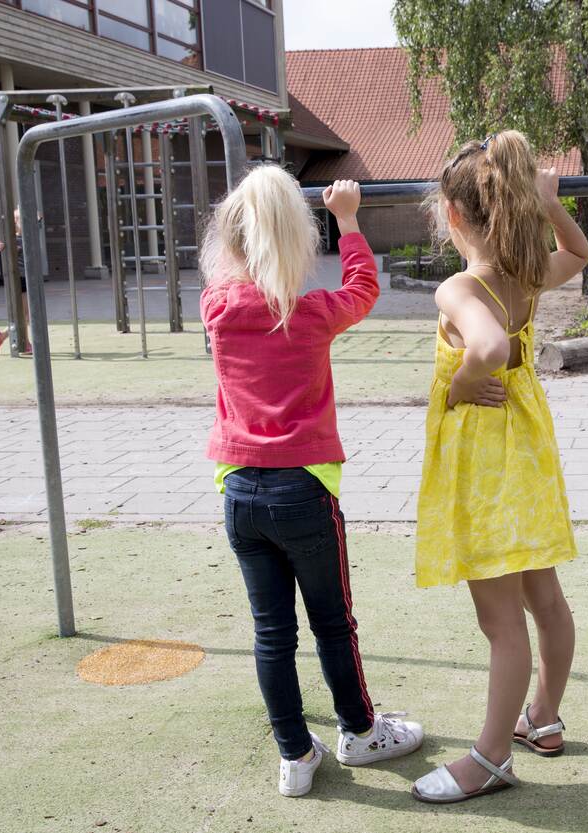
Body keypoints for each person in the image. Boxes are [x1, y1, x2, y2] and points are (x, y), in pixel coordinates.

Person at [201, 166, 424, 798]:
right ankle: (358, 731)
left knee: (271, 630)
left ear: (233, 243)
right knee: (332, 622)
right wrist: (348, 222)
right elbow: (362, 288)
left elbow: (232, 272)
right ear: (297, 243)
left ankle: (294, 754)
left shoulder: (216, 308)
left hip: (239, 493)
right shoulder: (312, 312)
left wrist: (249, 217)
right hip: (303, 490)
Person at [410, 130, 588, 804]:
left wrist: (461, 380)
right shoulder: (527, 273)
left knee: (501, 623)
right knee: (544, 599)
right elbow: (581, 251)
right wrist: (551, 207)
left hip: (487, 472)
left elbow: (484, 344)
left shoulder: (461, 286)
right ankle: (543, 716)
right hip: (527, 456)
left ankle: (490, 757)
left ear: (453, 216)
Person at [0, 208, 36, 355]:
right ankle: (24, 342)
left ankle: (2, 336)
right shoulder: (13, 238)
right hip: (20, 279)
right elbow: (2, 246)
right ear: (15, 222)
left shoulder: (27, 236)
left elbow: (39, 218)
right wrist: (2, 246)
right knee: (24, 314)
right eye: (21, 220)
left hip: (25, 278)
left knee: (23, 314)